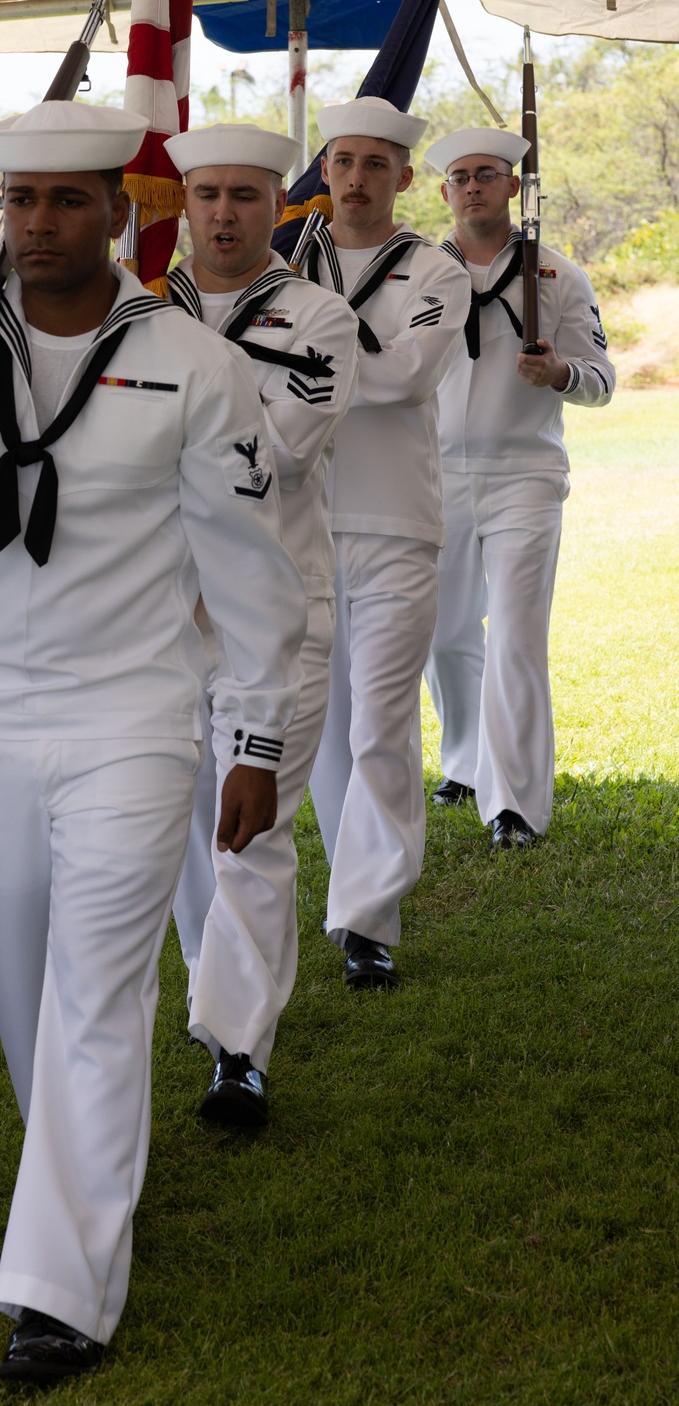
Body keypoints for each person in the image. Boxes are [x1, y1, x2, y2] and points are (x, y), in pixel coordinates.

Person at [0, 101, 307, 1384]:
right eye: (21, 203)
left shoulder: (192, 363)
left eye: (68, 201)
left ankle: (61, 1292)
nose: (40, 225)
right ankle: (90, 1189)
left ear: (119, 211)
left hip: (135, 716)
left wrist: (256, 739)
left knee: (100, 991)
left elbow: (254, 571)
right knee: (27, 996)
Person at [164, 122, 359, 1124]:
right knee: (185, 827)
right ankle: (217, 997)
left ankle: (240, 1049)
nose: (225, 214)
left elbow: (271, 454)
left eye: (246, 195)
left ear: (275, 202)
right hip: (158, 618)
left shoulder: (318, 317)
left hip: (275, 615)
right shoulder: (139, 312)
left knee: (251, 829)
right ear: (184, 202)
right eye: (208, 195)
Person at [303, 97, 471, 988]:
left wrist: (303, 363)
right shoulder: (287, 263)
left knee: (381, 726)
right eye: (343, 161)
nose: (358, 178)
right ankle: (355, 893)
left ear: (405, 177)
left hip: (398, 523)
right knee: (325, 730)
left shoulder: (435, 272)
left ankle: (370, 918)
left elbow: (407, 378)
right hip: (300, 524)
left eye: (376, 163)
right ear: (324, 170)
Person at [422, 128, 615, 847]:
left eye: (487, 175)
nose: (473, 187)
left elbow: (601, 379)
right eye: (461, 178)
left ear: (512, 188)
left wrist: (560, 373)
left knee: (516, 637)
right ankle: (467, 761)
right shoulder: (415, 272)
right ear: (444, 193)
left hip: (524, 478)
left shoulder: (558, 276)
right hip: (433, 477)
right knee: (441, 633)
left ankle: (516, 806)